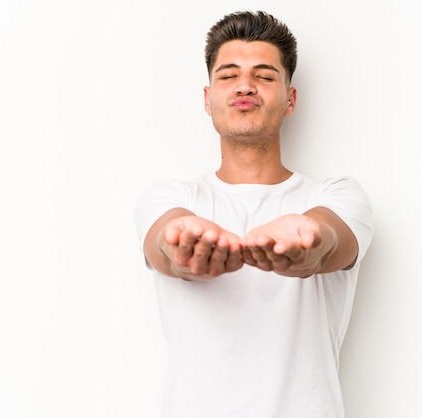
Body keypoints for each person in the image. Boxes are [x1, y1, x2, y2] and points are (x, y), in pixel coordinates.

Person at [134, 10, 374, 418]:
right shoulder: (173, 197)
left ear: (290, 99)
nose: (245, 85)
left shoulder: (337, 195)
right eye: (228, 75)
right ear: (208, 99)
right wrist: (182, 247)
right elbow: (163, 244)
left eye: (264, 75)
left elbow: (330, 240)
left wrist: (309, 246)